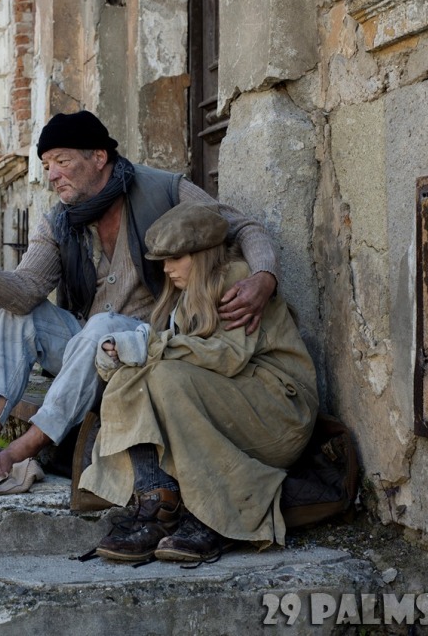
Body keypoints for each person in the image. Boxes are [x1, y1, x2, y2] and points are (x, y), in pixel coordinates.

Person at [0, 110, 279, 496]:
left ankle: (22, 450)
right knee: (18, 314)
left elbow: (244, 226)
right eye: (47, 165)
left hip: (153, 351)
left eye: (62, 161)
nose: (51, 175)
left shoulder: (165, 191)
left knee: (101, 327)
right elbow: (25, 289)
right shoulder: (59, 221)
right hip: (90, 354)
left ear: (98, 157)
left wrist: (263, 277)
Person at [84, 202, 318, 563]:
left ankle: (213, 516)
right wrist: (116, 357)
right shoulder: (182, 295)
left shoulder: (236, 276)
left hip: (280, 411)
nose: (166, 268)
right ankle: (158, 504)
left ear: (202, 254)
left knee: (160, 374)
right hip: (240, 403)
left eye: (175, 258)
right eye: (162, 260)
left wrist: (149, 345)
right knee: (134, 376)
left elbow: (227, 357)